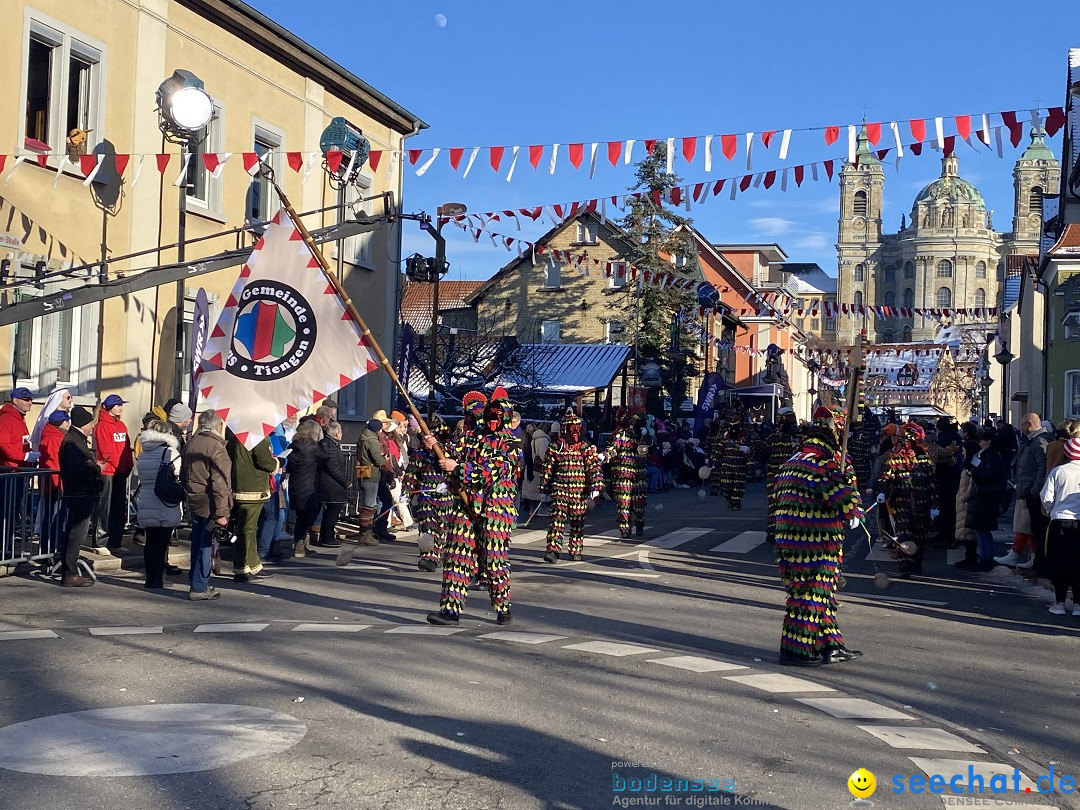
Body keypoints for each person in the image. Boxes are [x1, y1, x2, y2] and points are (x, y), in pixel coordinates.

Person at [773, 406, 864, 667]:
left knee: (820, 594)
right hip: (816, 542)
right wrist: (853, 500)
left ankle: (831, 646)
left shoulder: (794, 460)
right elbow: (840, 498)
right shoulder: (823, 464)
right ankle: (796, 650)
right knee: (811, 594)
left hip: (788, 541)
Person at [426, 389, 517, 626]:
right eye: (490, 415)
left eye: (498, 415)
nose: (493, 420)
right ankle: (450, 610)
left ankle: (503, 606)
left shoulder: (510, 443)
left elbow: (489, 472)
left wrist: (457, 468)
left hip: (496, 510)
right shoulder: (473, 437)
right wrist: (434, 445)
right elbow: (452, 455)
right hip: (465, 505)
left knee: (493, 559)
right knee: (457, 556)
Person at [180, 410, 232, 601]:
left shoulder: (191, 443)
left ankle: (197, 581)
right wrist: (222, 511)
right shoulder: (217, 448)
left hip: (194, 499)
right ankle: (199, 586)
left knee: (197, 542)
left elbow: (183, 475)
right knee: (205, 544)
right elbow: (220, 482)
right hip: (209, 502)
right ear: (218, 426)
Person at [878, 422, 939, 578]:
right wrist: (883, 491)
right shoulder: (897, 457)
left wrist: (934, 505)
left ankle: (916, 565)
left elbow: (932, 482)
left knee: (920, 536)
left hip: (922, 504)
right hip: (902, 503)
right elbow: (887, 477)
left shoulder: (924, 459)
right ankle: (905, 567)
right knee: (904, 536)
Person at [540, 412, 603, 563]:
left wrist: (595, 486)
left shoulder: (586, 447)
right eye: (571, 428)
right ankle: (553, 551)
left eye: (577, 429)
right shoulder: (556, 447)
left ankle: (576, 550)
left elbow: (593, 468)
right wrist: (544, 488)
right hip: (560, 489)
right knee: (556, 521)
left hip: (579, 491)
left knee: (577, 522)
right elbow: (548, 467)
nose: (574, 432)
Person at [997, 413, 1051, 572]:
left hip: (1031, 492)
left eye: (1022, 425)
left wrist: (1034, 491)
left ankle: (1033, 559)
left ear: (1030, 424)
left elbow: (1042, 468)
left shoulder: (1040, 441)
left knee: (1033, 527)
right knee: (1028, 526)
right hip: (1025, 489)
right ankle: (1031, 557)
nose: (1020, 428)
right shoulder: (1031, 441)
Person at [134, 419, 182, 589]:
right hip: (164, 500)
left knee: (150, 542)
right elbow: (178, 474)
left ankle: (150, 578)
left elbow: (141, 474)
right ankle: (158, 578)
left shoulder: (143, 453)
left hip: (146, 499)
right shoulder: (170, 453)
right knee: (162, 543)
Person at [225, 430, 278, 582]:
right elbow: (264, 460)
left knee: (247, 527)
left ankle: (254, 565)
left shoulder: (236, 435)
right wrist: (277, 463)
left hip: (240, 484)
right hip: (253, 486)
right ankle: (242, 567)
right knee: (246, 529)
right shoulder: (258, 434)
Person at [403, 414, 452, 571]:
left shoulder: (447, 452)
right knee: (427, 527)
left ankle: (440, 553)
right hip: (426, 496)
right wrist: (406, 491)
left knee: (442, 527)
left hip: (445, 497)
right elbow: (411, 474)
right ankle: (428, 556)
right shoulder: (419, 454)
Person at [1041, 438, 1080, 616]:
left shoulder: (1058, 471)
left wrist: (1051, 510)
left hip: (1060, 520)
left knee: (1059, 562)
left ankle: (1059, 603)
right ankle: (1078, 605)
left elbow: (1047, 497)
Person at [91, 394, 134, 554]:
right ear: (109, 408)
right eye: (117, 405)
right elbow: (106, 451)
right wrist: (118, 465)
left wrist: (128, 464)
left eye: (121, 405)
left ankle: (116, 541)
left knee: (118, 508)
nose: (121, 408)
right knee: (105, 507)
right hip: (108, 472)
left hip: (120, 472)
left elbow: (126, 448)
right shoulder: (102, 426)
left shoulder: (122, 426)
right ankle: (100, 542)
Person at [962, 428, 1006, 571]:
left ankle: (987, 557)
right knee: (979, 528)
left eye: (982, 440)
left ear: (989, 441)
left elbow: (987, 473)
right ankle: (985, 556)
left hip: (986, 495)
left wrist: (974, 473)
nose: (979, 443)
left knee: (982, 528)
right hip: (981, 495)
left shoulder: (991, 455)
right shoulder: (983, 454)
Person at [261, 413, 298, 562]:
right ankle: (265, 550)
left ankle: (271, 546)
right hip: (270, 482)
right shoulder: (268, 439)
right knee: (272, 516)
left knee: (277, 515)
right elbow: (269, 460)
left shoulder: (273, 437)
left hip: (276, 481)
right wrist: (280, 462)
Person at [285, 419, 323, 556]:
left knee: (300, 516)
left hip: (295, 484)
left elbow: (288, 466)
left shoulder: (293, 446)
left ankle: (298, 543)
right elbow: (326, 458)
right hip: (310, 485)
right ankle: (300, 545)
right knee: (307, 517)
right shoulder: (314, 448)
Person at [610, 407, 647, 540]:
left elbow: (651, 450)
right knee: (624, 503)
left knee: (639, 504)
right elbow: (613, 449)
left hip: (639, 474)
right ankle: (625, 529)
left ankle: (639, 523)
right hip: (624, 474)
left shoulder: (644, 435)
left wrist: (646, 439)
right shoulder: (621, 434)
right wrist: (605, 456)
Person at [37, 409, 70, 555]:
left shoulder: (54, 436)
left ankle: (52, 550)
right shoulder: (53, 438)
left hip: (55, 483)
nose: (69, 424)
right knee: (53, 519)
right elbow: (55, 463)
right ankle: (50, 551)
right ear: (62, 423)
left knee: (55, 518)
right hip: (55, 484)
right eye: (67, 421)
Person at [316, 420, 349, 552]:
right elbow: (333, 467)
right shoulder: (328, 445)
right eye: (340, 431)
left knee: (332, 511)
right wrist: (345, 482)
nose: (341, 434)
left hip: (332, 484)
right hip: (331, 485)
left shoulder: (330, 444)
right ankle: (327, 537)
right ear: (336, 433)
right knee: (332, 511)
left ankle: (328, 536)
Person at [717, 425, 752, 511]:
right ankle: (728, 500)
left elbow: (750, 452)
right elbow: (718, 453)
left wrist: (747, 451)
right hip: (726, 468)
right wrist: (715, 464)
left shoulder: (744, 439)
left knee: (738, 487)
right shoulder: (724, 440)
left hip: (739, 468)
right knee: (726, 486)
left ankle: (736, 503)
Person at [520, 422, 550, 516]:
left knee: (532, 492)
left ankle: (533, 510)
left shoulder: (534, 439)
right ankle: (541, 510)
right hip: (539, 469)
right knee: (539, 491)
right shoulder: (544, 440)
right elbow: (543, 455)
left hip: (531, 467)